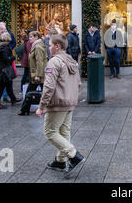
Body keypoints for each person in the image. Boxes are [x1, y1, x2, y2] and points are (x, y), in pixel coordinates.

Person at [36, 34, 85, 179]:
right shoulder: (71, 61)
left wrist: (42, 106)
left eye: (50, 45)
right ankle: (60, 161)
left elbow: (49, 86)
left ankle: (74, 155)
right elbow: (78, 83)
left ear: (57, 46)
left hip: (57, 103)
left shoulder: (54, 62)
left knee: (50, 132)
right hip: (70, 102)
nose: (48, 47)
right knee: (64, 132)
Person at [18, 31, 48, 115]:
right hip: (37, 74)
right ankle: (25, 109)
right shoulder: (37, 45)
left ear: (36, 37)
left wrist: (38, 75)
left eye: (31, 37)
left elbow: (39, 62)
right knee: (43, 92)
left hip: (37, 75)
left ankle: (24, 109)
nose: (29, 38)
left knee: (30, 92)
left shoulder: (38, 47)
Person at [0, 32, 23, 109]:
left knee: (8, 85)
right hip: (3, 69)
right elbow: (6, 59)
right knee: (1, 87)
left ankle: (13, 99)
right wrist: (12, 58)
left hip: (0, 68)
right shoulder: (5, 47)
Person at [20, 28, 34, 94]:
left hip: (27, 60)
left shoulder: (27, 40)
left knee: (26, 74)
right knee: (26, 75)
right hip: (28, 60)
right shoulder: (29, 42)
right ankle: (22, 89)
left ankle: (23, 88)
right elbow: (29, 52)